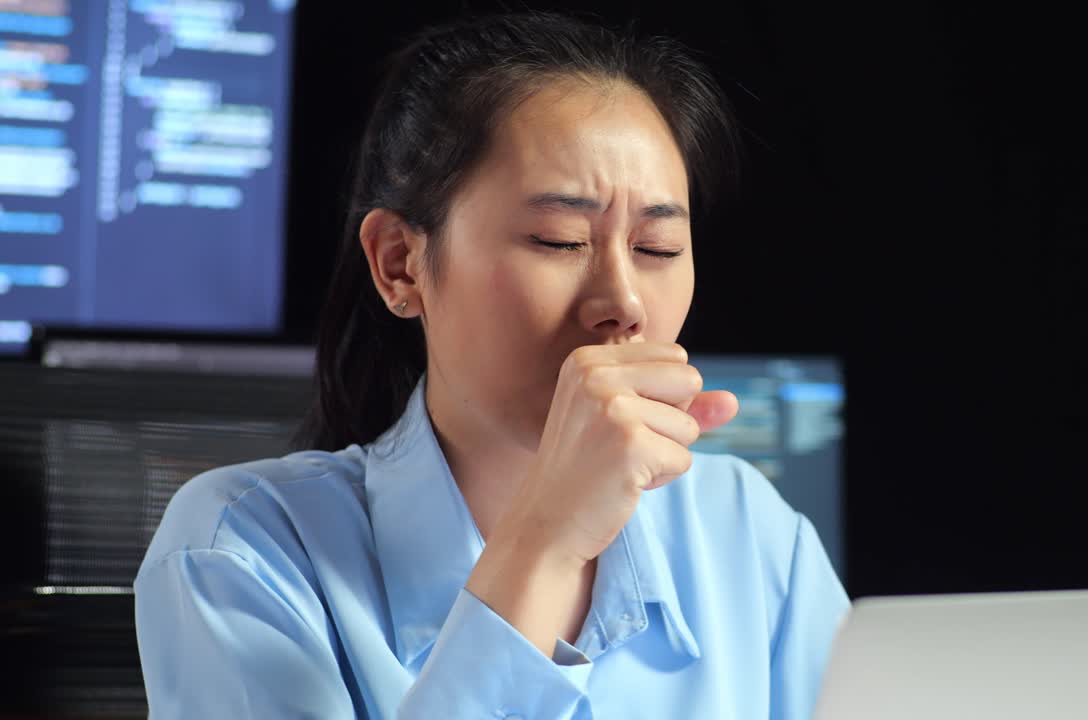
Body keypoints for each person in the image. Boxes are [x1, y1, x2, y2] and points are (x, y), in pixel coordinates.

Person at [133, 10, 850, 719]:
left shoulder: (749, 530)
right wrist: (547, 541)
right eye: (559, 240)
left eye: (658, 249)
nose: (626, 302)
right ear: (400, 264)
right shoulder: (239, 549)